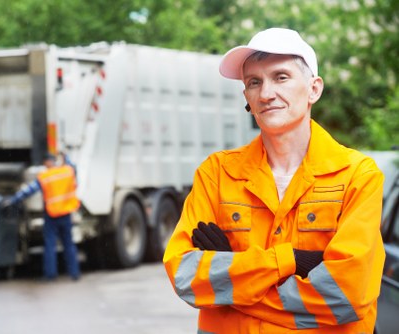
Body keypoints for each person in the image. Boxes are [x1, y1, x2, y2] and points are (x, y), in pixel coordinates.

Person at [163, 28, 385, 333]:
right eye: (254, 82)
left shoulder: (358, 176)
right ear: (247, 97)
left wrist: (232, 285)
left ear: (313, 89)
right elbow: (186, 277)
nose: (266, 94)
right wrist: (290, 260)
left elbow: (346, 294)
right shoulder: (215, 174)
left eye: (281, 77)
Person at [5, 153, 81, 281]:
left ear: (47, 162)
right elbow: (73, 167)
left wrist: (12, 200)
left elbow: (28, 191)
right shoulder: (67, 172)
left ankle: (50, 275)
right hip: (66, 214)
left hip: (52, 216)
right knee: (69, 244)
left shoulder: (45, 176)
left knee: (50, 245)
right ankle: (74, 273)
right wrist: (64, 155)